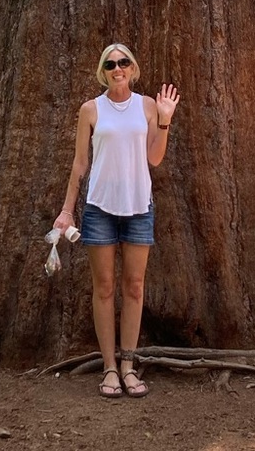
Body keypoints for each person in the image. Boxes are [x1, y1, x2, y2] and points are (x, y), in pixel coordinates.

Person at [53, 43, 180, 399]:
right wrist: (66, 210)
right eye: (110, 64)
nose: (117, 68)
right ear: (103, 71)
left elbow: (155, 158)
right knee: (105, 289)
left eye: (123, 62)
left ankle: (129, 364)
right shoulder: (91, 109)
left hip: (139, 207)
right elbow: (80, 164)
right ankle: (110, 367)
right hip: (99, 210)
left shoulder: (148, 106)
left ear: (133, 68)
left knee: (135, 287)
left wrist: (165, 119)